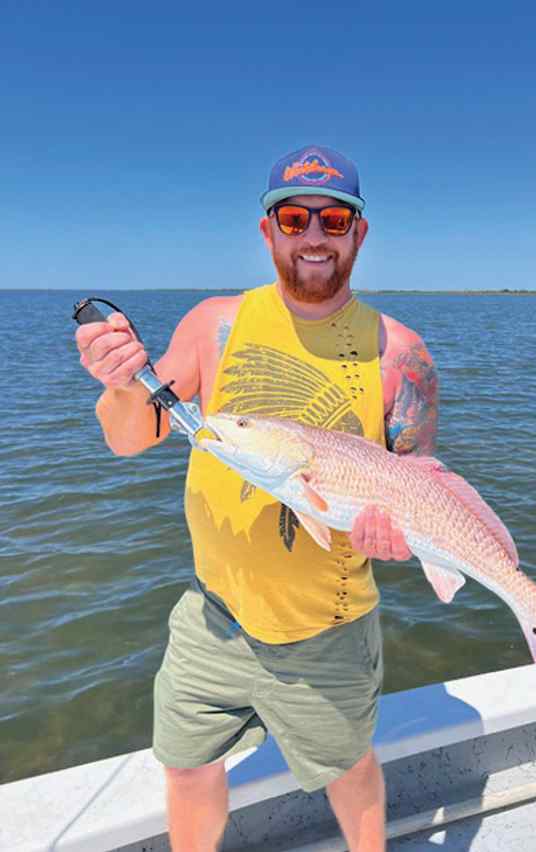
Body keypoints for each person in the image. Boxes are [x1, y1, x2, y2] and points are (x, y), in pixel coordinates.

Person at [75, 145, 438, 852]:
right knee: (185, 766)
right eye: (293, 217)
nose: (312, 235)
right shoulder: (214, 323)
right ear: (268, 230)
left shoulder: (403, 354)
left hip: (329, 630)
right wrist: (119, 382)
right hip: (213, 613)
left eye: (333, 220)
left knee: (350, 770)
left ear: (358, 235)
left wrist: (398, 539)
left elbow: (419, 489)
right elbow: (130, 435)